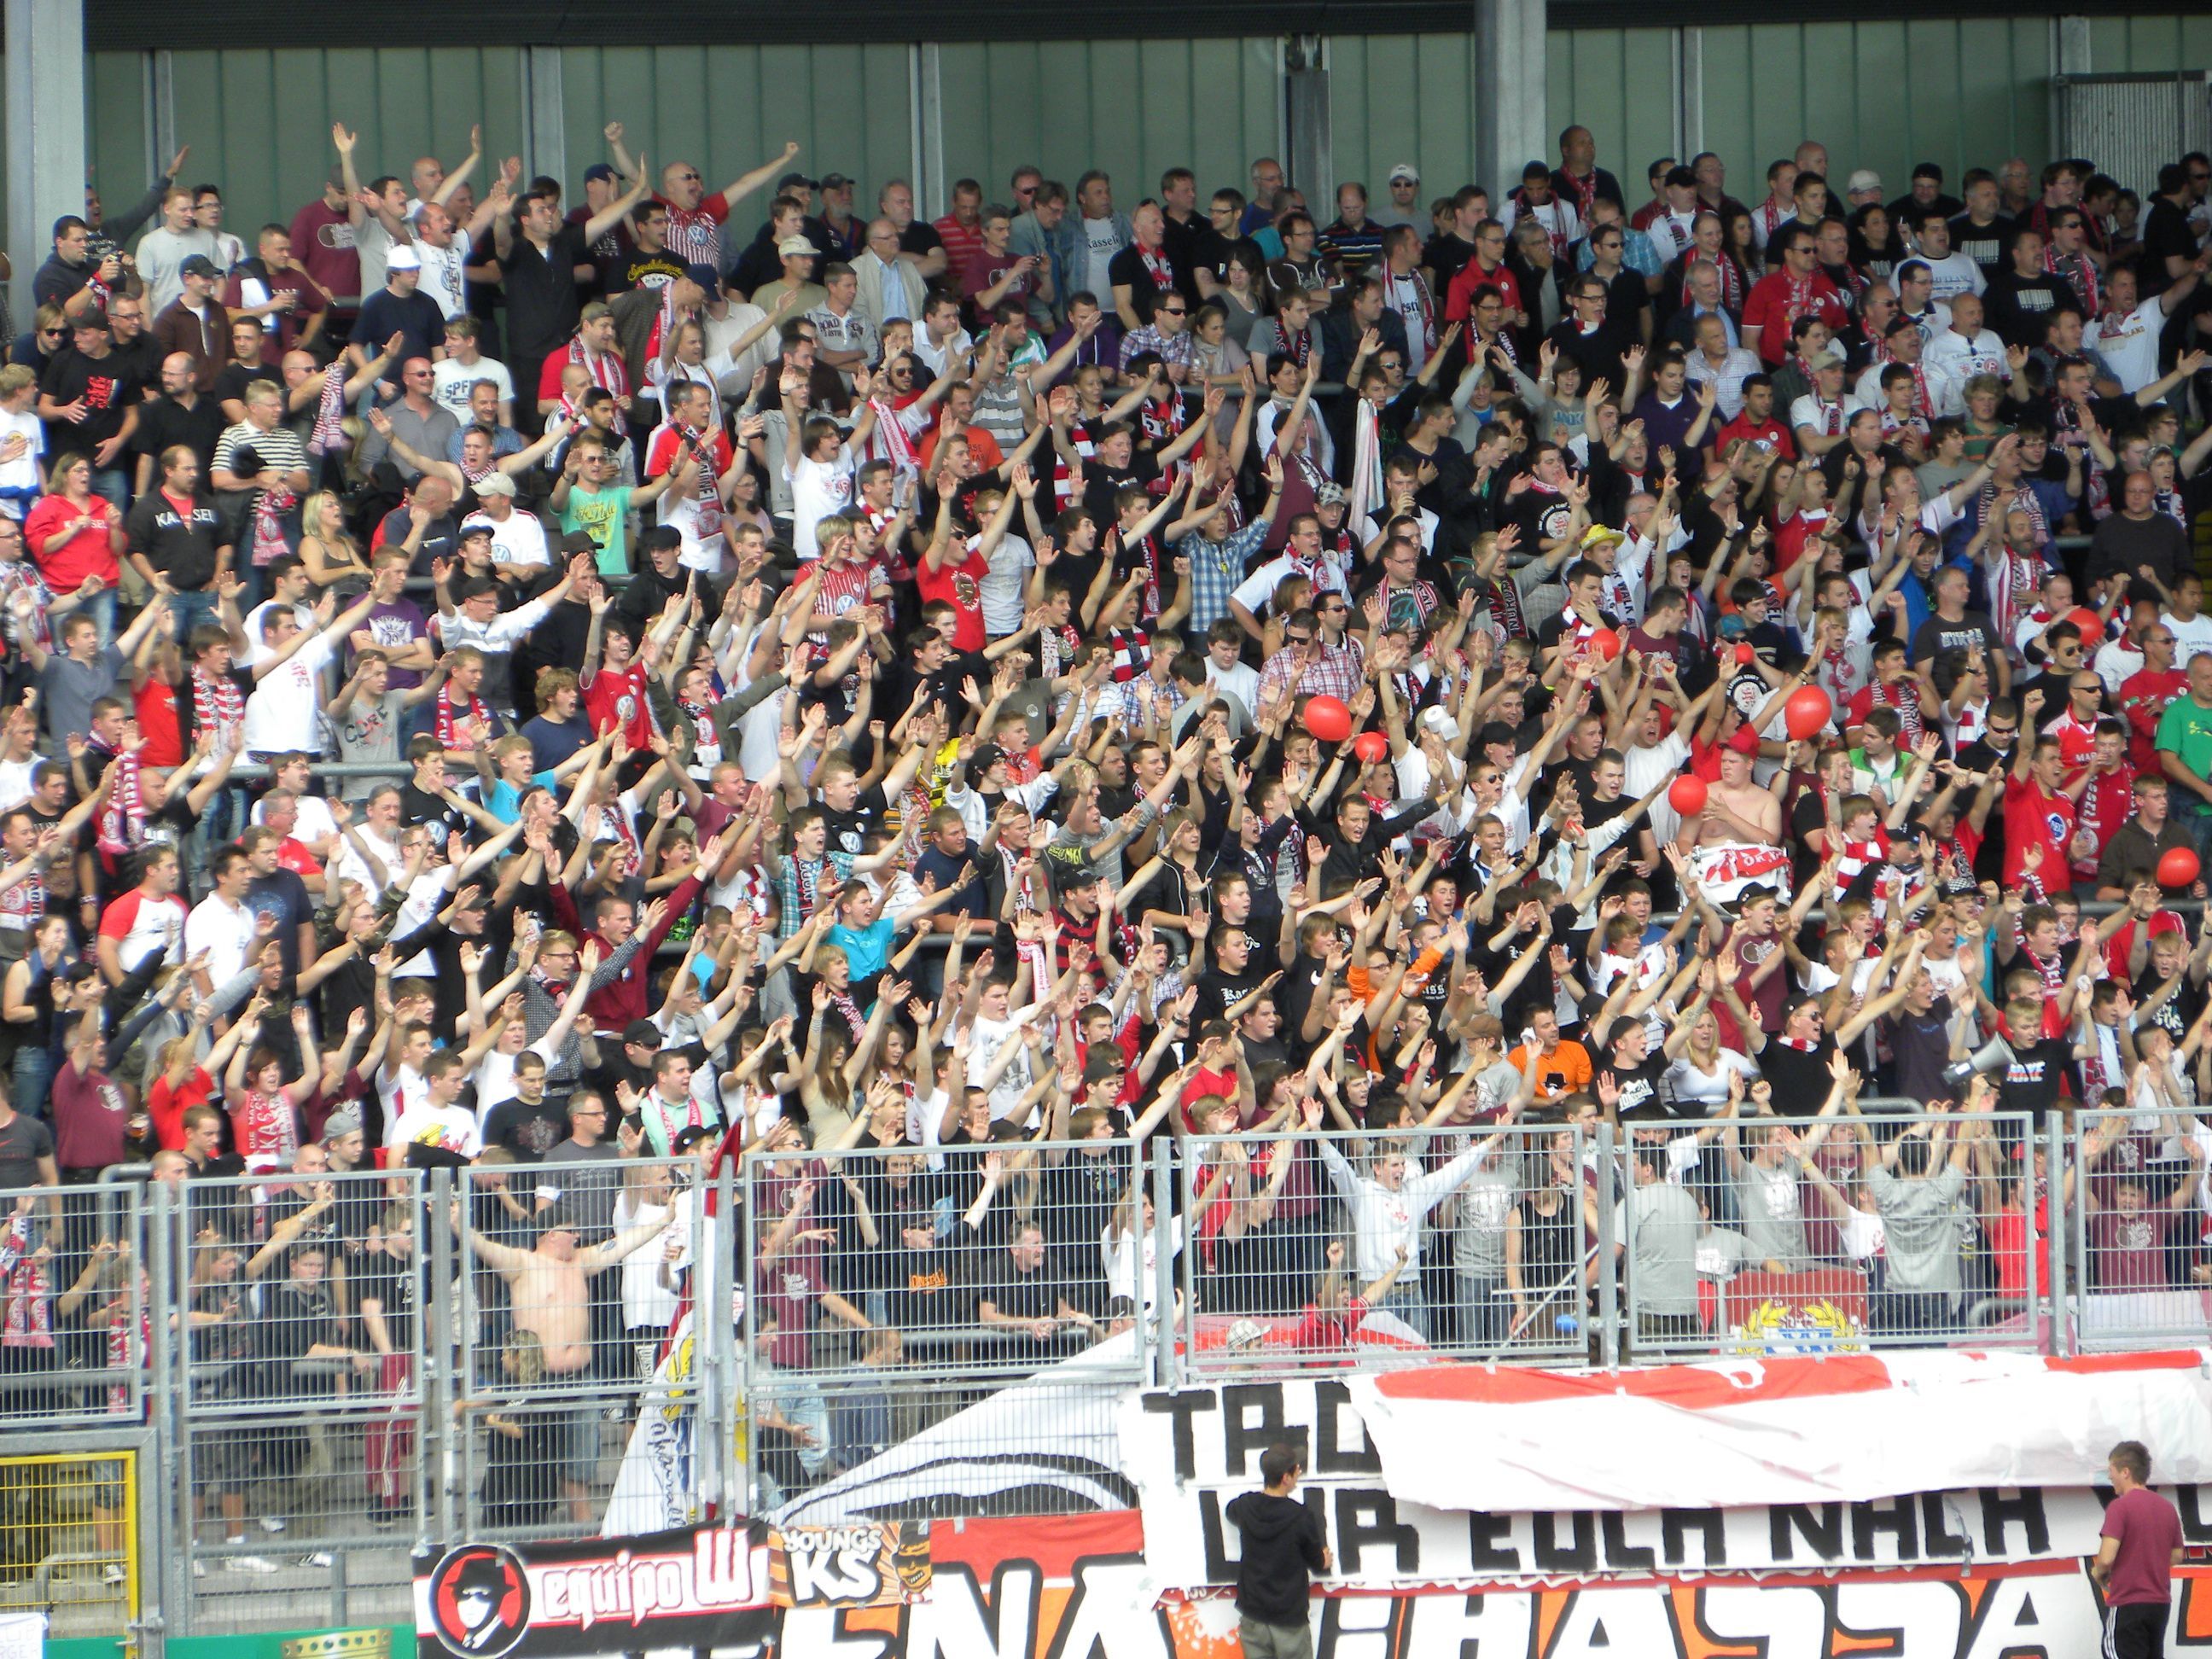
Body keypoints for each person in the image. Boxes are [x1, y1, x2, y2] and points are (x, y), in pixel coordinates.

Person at [1225, 1442, 1329, 1659]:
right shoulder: (1300, 1517)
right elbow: (1316, 1561)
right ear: (1285, 1478)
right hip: (1289, 1620)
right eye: (1296, 1469)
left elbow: (1230, 1511)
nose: (1299, 1471)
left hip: (1253, 1617)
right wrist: (1324, 1560)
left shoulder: (1245, 1506)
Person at [2093, 1440, 2183, 1659]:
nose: (2109, 1477)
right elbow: (2177, 1555)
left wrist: (2099, 1574)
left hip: (2129, 1603)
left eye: (2111, 1471)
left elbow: (2106, 1558)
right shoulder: (2167, 1508)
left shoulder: (2120, 1507)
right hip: (2159, 1605)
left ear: (2125, 1472)